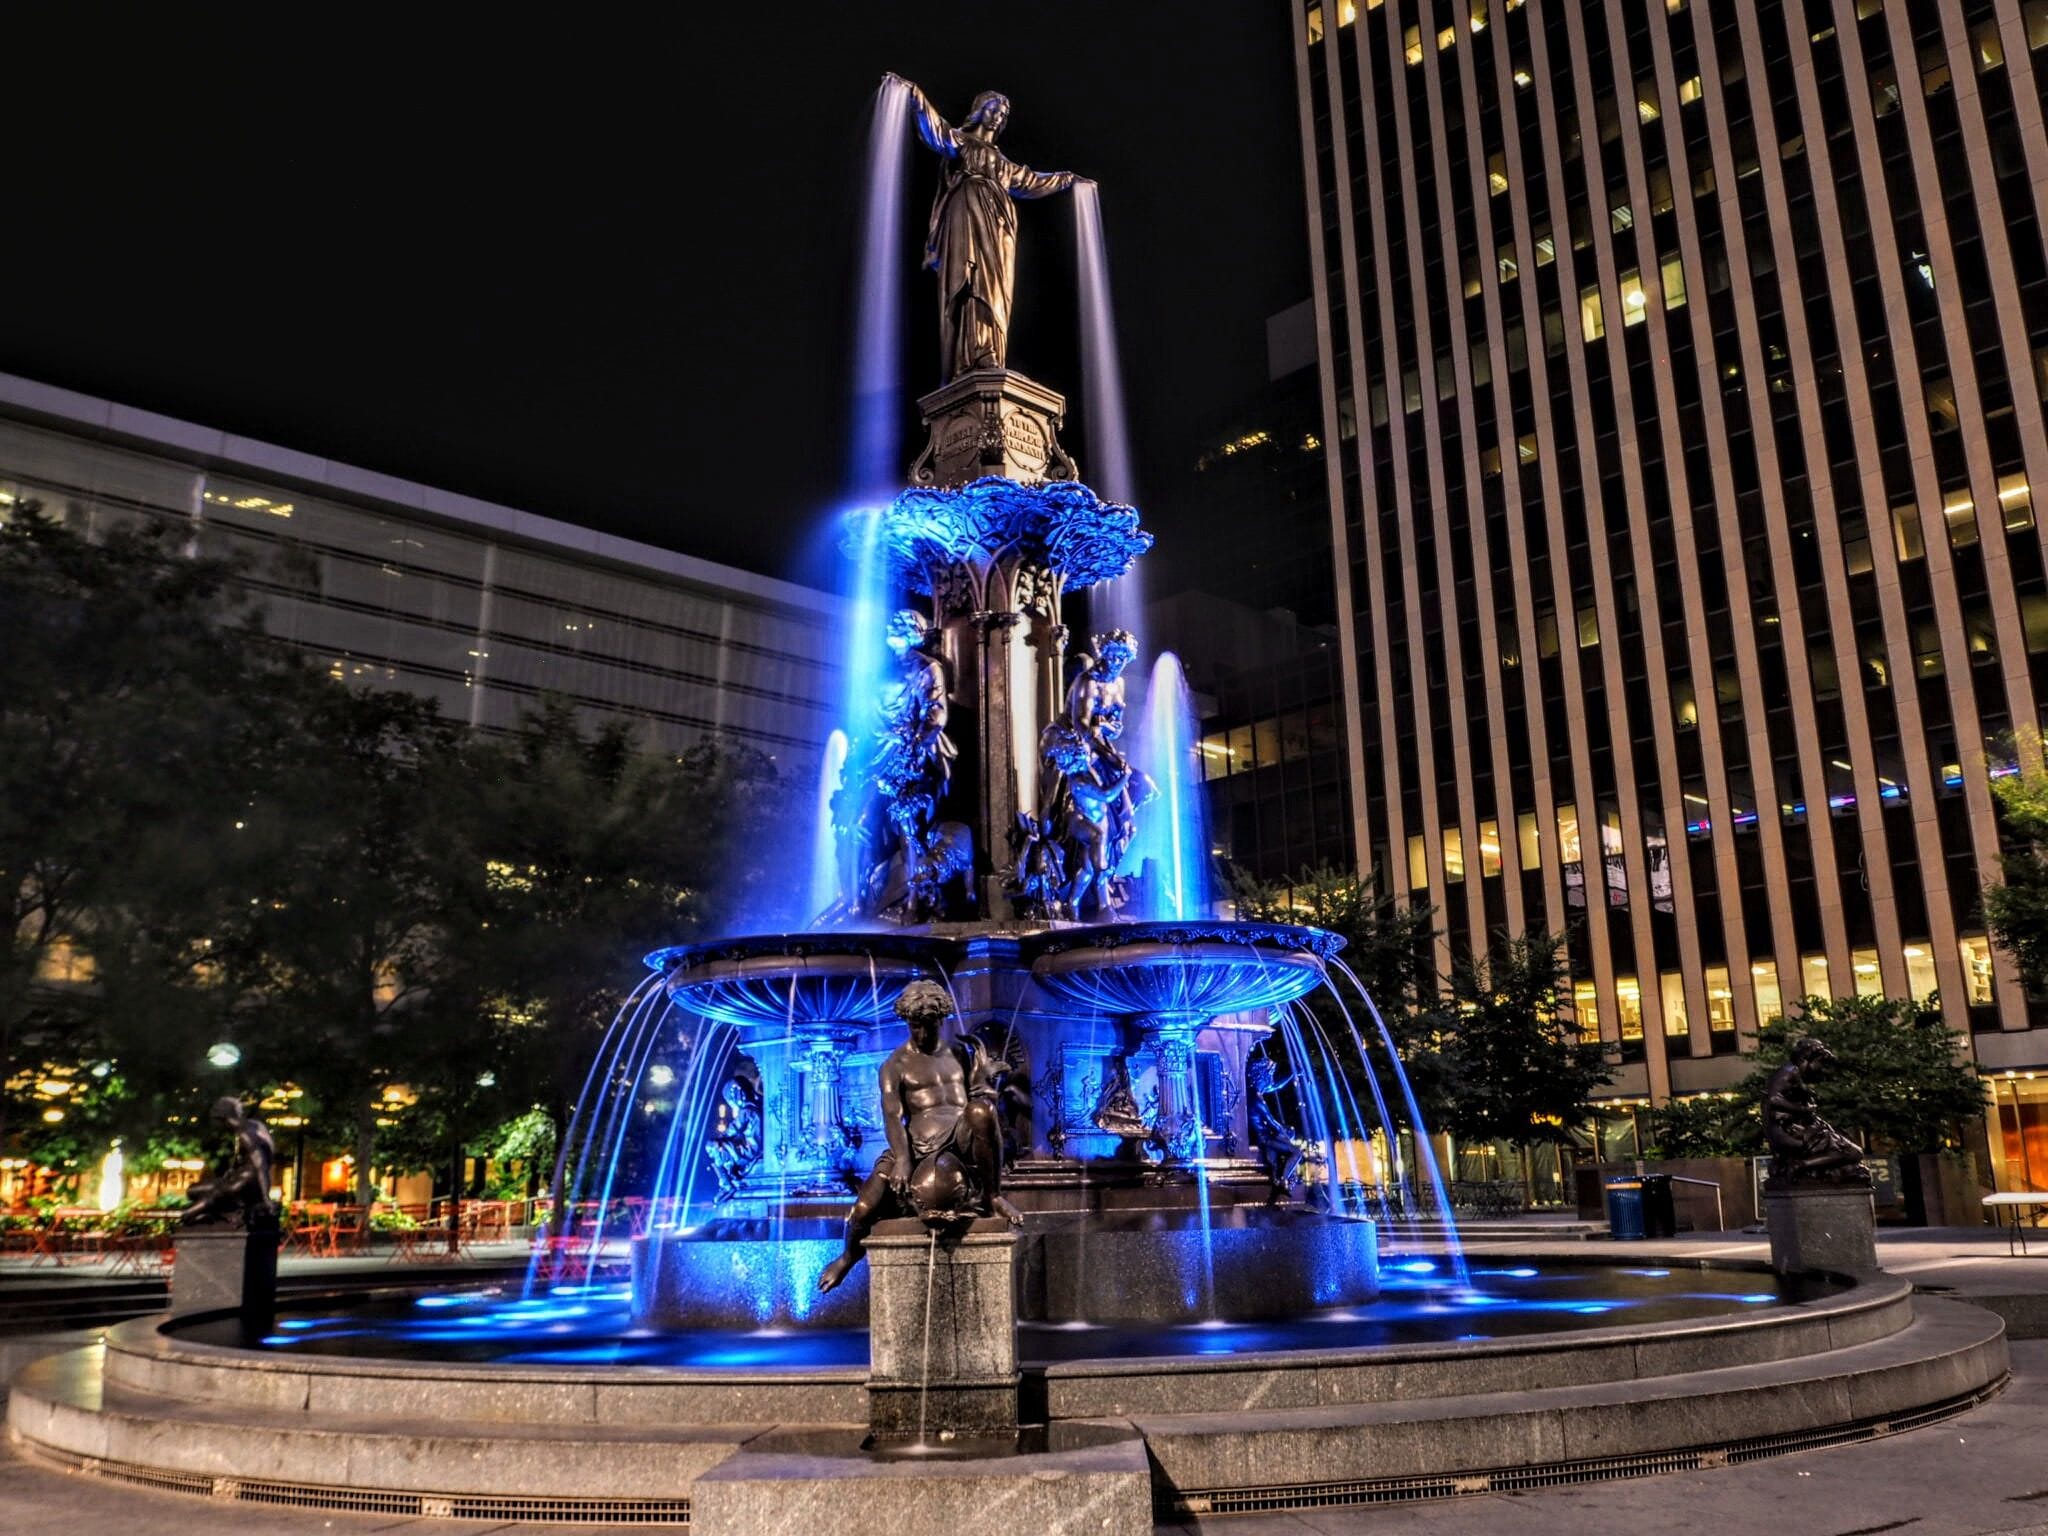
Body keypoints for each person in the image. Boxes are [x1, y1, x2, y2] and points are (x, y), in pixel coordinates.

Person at [818, 980, 1022, 1293]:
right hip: (912, 1145)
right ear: (907, 1022)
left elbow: (976, 1097)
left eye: (930, 1026)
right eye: (916, 1027)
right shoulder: (894, 1065)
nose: (923, 1034)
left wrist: (986, 1083)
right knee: (862, 1210)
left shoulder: (960, 1052)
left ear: (942, 1020)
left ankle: (993, 1196)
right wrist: (902, 1159)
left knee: (981, 1112)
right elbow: (892, 1117)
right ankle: (847, 1257)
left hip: (958, 1139)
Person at [887, 75, 1083, 380]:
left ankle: (990, 350)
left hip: (1000, 222)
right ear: (980, 109)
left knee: (996, 288)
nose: (1000, 116)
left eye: (1004, 114)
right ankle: (969, 357)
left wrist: (1067, 179)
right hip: (967, 211)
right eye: (995, 109)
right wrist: (914, 95)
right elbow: (936, 130)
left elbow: (1031, 181)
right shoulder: (963, 142)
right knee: (969, 280)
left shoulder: (1003, 165)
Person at [1762, 1037, 1870, 1184]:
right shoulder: (1789, 1071)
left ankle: (1804, 1166)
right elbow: (1773, 1098)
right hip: (1794, 1133)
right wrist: (1803, 1110)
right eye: (1819, 1062)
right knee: (1852, 1153)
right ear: (1807, 1058)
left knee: (1853, 1153)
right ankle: (1801, 1165)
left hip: (1806, 1130)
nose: (1820, 1068)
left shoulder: (1795, 1074)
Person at [180, 1097, 276, 1227]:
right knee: (192, 1191)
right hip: (238, 1178)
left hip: (245, 1184)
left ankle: (189, 1215)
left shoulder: (246, 1135)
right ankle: (219, 1213)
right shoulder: (251, 1125)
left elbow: (261, 1166)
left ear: (223, 1119)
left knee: (211, 1197)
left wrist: (266, 1199)